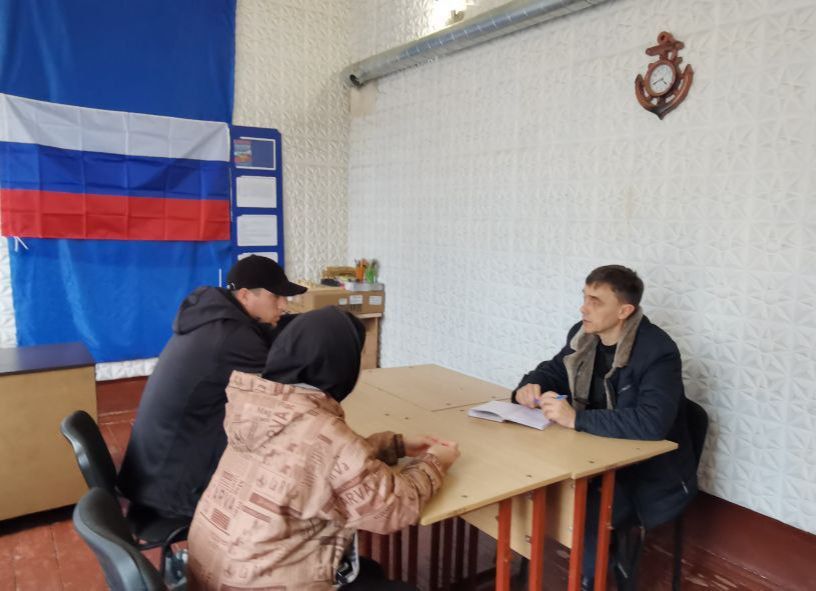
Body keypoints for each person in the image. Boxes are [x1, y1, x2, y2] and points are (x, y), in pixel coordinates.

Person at [187, 307, 460, 591]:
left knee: (370, 570)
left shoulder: (260, 408)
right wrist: (435, 462)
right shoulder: (324, 432)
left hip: (212, 574)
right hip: (264, 582)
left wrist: (395, 444)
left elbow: (314, 462)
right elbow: (393, 508)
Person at [512, 265, 697, 588]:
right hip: (592, 454)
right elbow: (553, 370)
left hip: (646, 471)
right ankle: (533, 568)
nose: (583, 308)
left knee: (583, 506)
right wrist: (528, 387)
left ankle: (593, 579)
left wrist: (577, 419)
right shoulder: (584, 334)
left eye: (595, 301)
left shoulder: (658, 351)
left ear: (625, 311)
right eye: (584, 297)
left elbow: (652, 423)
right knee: (528, 477)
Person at [117, 255, 307, 520]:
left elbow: (266, 336)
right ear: (245, 295)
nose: (284, 305)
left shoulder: (212, 318)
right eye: (276, 297)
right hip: (171, 491)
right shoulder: (234, 337)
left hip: (150, 474)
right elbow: (280, 395)